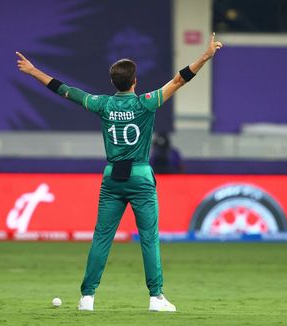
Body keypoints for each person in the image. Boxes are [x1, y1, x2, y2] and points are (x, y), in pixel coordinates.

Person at [16, 33, 222, 312]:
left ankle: (87, 297)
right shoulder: (146, 103)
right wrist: (205, 56)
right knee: (148, 238)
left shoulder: (102, 104)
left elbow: (64, 89)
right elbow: (179, 79)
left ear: (113, 82)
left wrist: (32, 71)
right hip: (140, 177)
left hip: (112, 177)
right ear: (135, 81)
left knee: (102, 237)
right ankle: (156, 297)